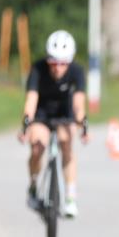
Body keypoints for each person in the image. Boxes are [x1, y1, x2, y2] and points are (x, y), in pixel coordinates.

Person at [19, 30, 89, 218]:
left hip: (65, 113)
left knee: (66, 143)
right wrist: (25, 126)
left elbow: (79, 104)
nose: (58, 68)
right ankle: (33, 186)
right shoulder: (37, 69)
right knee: (37, 147)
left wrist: (83, 124)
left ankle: (70, 197)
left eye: (63, 63)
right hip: (41, 113)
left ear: (70, 61)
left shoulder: (77, 71)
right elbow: (30, 102)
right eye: (53, 62)